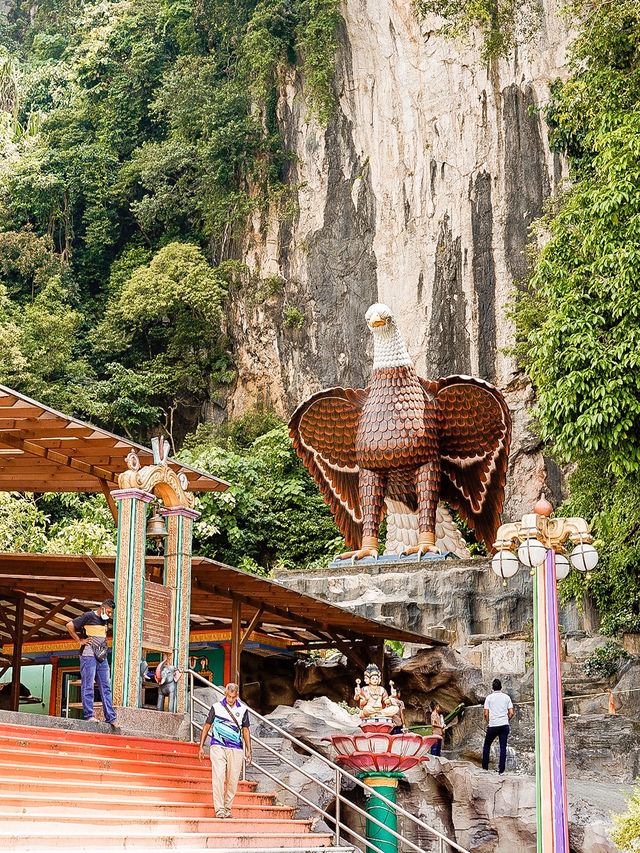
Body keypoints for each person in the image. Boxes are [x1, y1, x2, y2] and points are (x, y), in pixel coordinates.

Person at [198, 683, 252, 818]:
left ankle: (227, 808)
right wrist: (201, 746)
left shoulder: (243, 710)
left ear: (237, 696)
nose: (230, 699)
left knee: (233, 780)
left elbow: (245, 730)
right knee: (218, 777)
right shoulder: (216, 707)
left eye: (233, 697)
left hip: (236, 748)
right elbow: (206, 726)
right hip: (218, 746)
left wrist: (249, 750)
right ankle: (219, 809)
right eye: (229, 696)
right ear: (225, 694)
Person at [65, 599, 117, 726]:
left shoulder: (105, 620)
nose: (109, 615)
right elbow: (69, 625)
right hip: (88, 655)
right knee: (88, 685)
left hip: (102, 656)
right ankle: (89, 716)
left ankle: (111, 718)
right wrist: (79, 641)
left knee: (106, 687)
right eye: (109, 611)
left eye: (111, 613)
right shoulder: (88, 616)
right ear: (102, 608)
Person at [482, 678, 514, 774]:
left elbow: (486, 714)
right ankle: (501, 769)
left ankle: (485, 767)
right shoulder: (507, 697)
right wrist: (506, 719)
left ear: (492, 687)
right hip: (504, 724)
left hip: (493, 725)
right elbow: (511, 712)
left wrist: (489, 722)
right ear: (501, 687)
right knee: (503, 747)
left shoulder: (489, 698)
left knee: (487, 745)